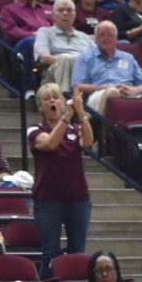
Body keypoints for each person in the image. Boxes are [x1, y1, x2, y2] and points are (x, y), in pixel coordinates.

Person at [29, 82, 93, 266]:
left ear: (63, 101)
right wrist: (67, 117)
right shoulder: (35, 130)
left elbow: (88, 142)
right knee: (50, 253)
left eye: (56, 97)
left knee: (78, 251)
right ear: (41, 106)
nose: (52, 101)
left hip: (78, 198)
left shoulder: (74, 128)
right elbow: (49, 144)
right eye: (47, 99)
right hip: (49, 199)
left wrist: (81, 113)